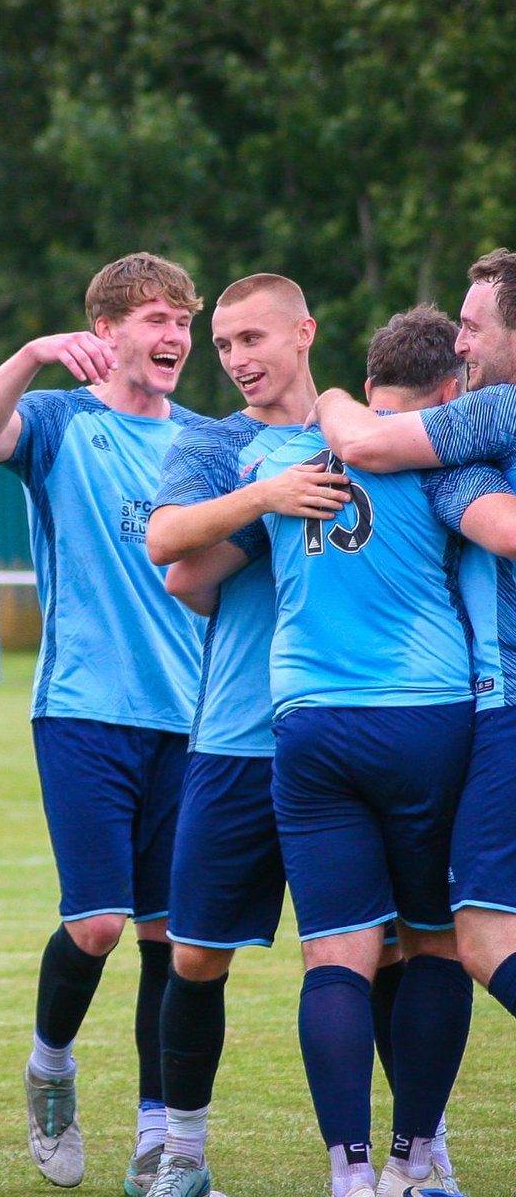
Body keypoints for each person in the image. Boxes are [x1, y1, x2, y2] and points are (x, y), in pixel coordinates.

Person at [198, 305, 482, 1197]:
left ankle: (348, 1171)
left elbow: (186, 575)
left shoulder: (273, 462)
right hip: (425, 716)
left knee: (337, 957)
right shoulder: (446, 457)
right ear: (451, 391)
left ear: (367, 385)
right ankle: (415, 1159)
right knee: (432, 945)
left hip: (310, 724)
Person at [0, 252, 207, 1192]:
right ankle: (50, 1064)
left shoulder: (206, 439)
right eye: (154, 318)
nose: (174, 335)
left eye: (183, 319)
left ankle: (154, 1140)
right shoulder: (61, 421)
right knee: (98, 925)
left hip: (192, 723)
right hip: (85, 711)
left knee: (172, 941)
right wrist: (28, 353)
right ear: (103, 333)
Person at [142, 274, 350, 1197]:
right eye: (224, 346)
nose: (237, 360)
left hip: (348, 734)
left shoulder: (363, 434)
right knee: (193, 955)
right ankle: (181, 1155)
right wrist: (269, 497)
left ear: (304, 332)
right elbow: (170, 546)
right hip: (233, 738)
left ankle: (410, 1152)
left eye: (253, 339)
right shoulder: (215, 441)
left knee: (361, 951)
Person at [313, 252, 516, 1163]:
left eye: (475, 325)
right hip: (468, 711)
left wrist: (325, 398)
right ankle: (412, 1155)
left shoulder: (499, 407)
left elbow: (363, 444)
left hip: (502, 704)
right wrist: (461, 493)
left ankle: (397, 1156)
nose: (462, 341)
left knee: (475, 934)